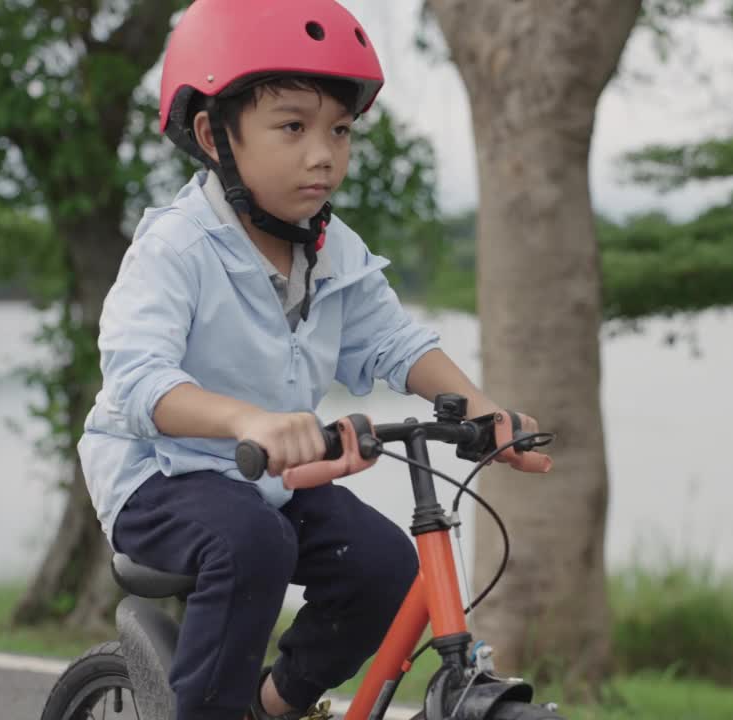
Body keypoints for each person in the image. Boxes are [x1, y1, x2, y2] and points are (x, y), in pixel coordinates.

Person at [75, 1, 550, 718]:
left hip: (270, 478)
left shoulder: (333, 249)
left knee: (385, 566)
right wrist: (250, 422)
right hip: (159, 475)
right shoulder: (175, 247)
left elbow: (394, 342)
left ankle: (273, 704)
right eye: (292, 127)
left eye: (340, 129)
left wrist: (485, 412)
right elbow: (140, 380)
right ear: (214, 134)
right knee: (250, 543)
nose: (323, 153)